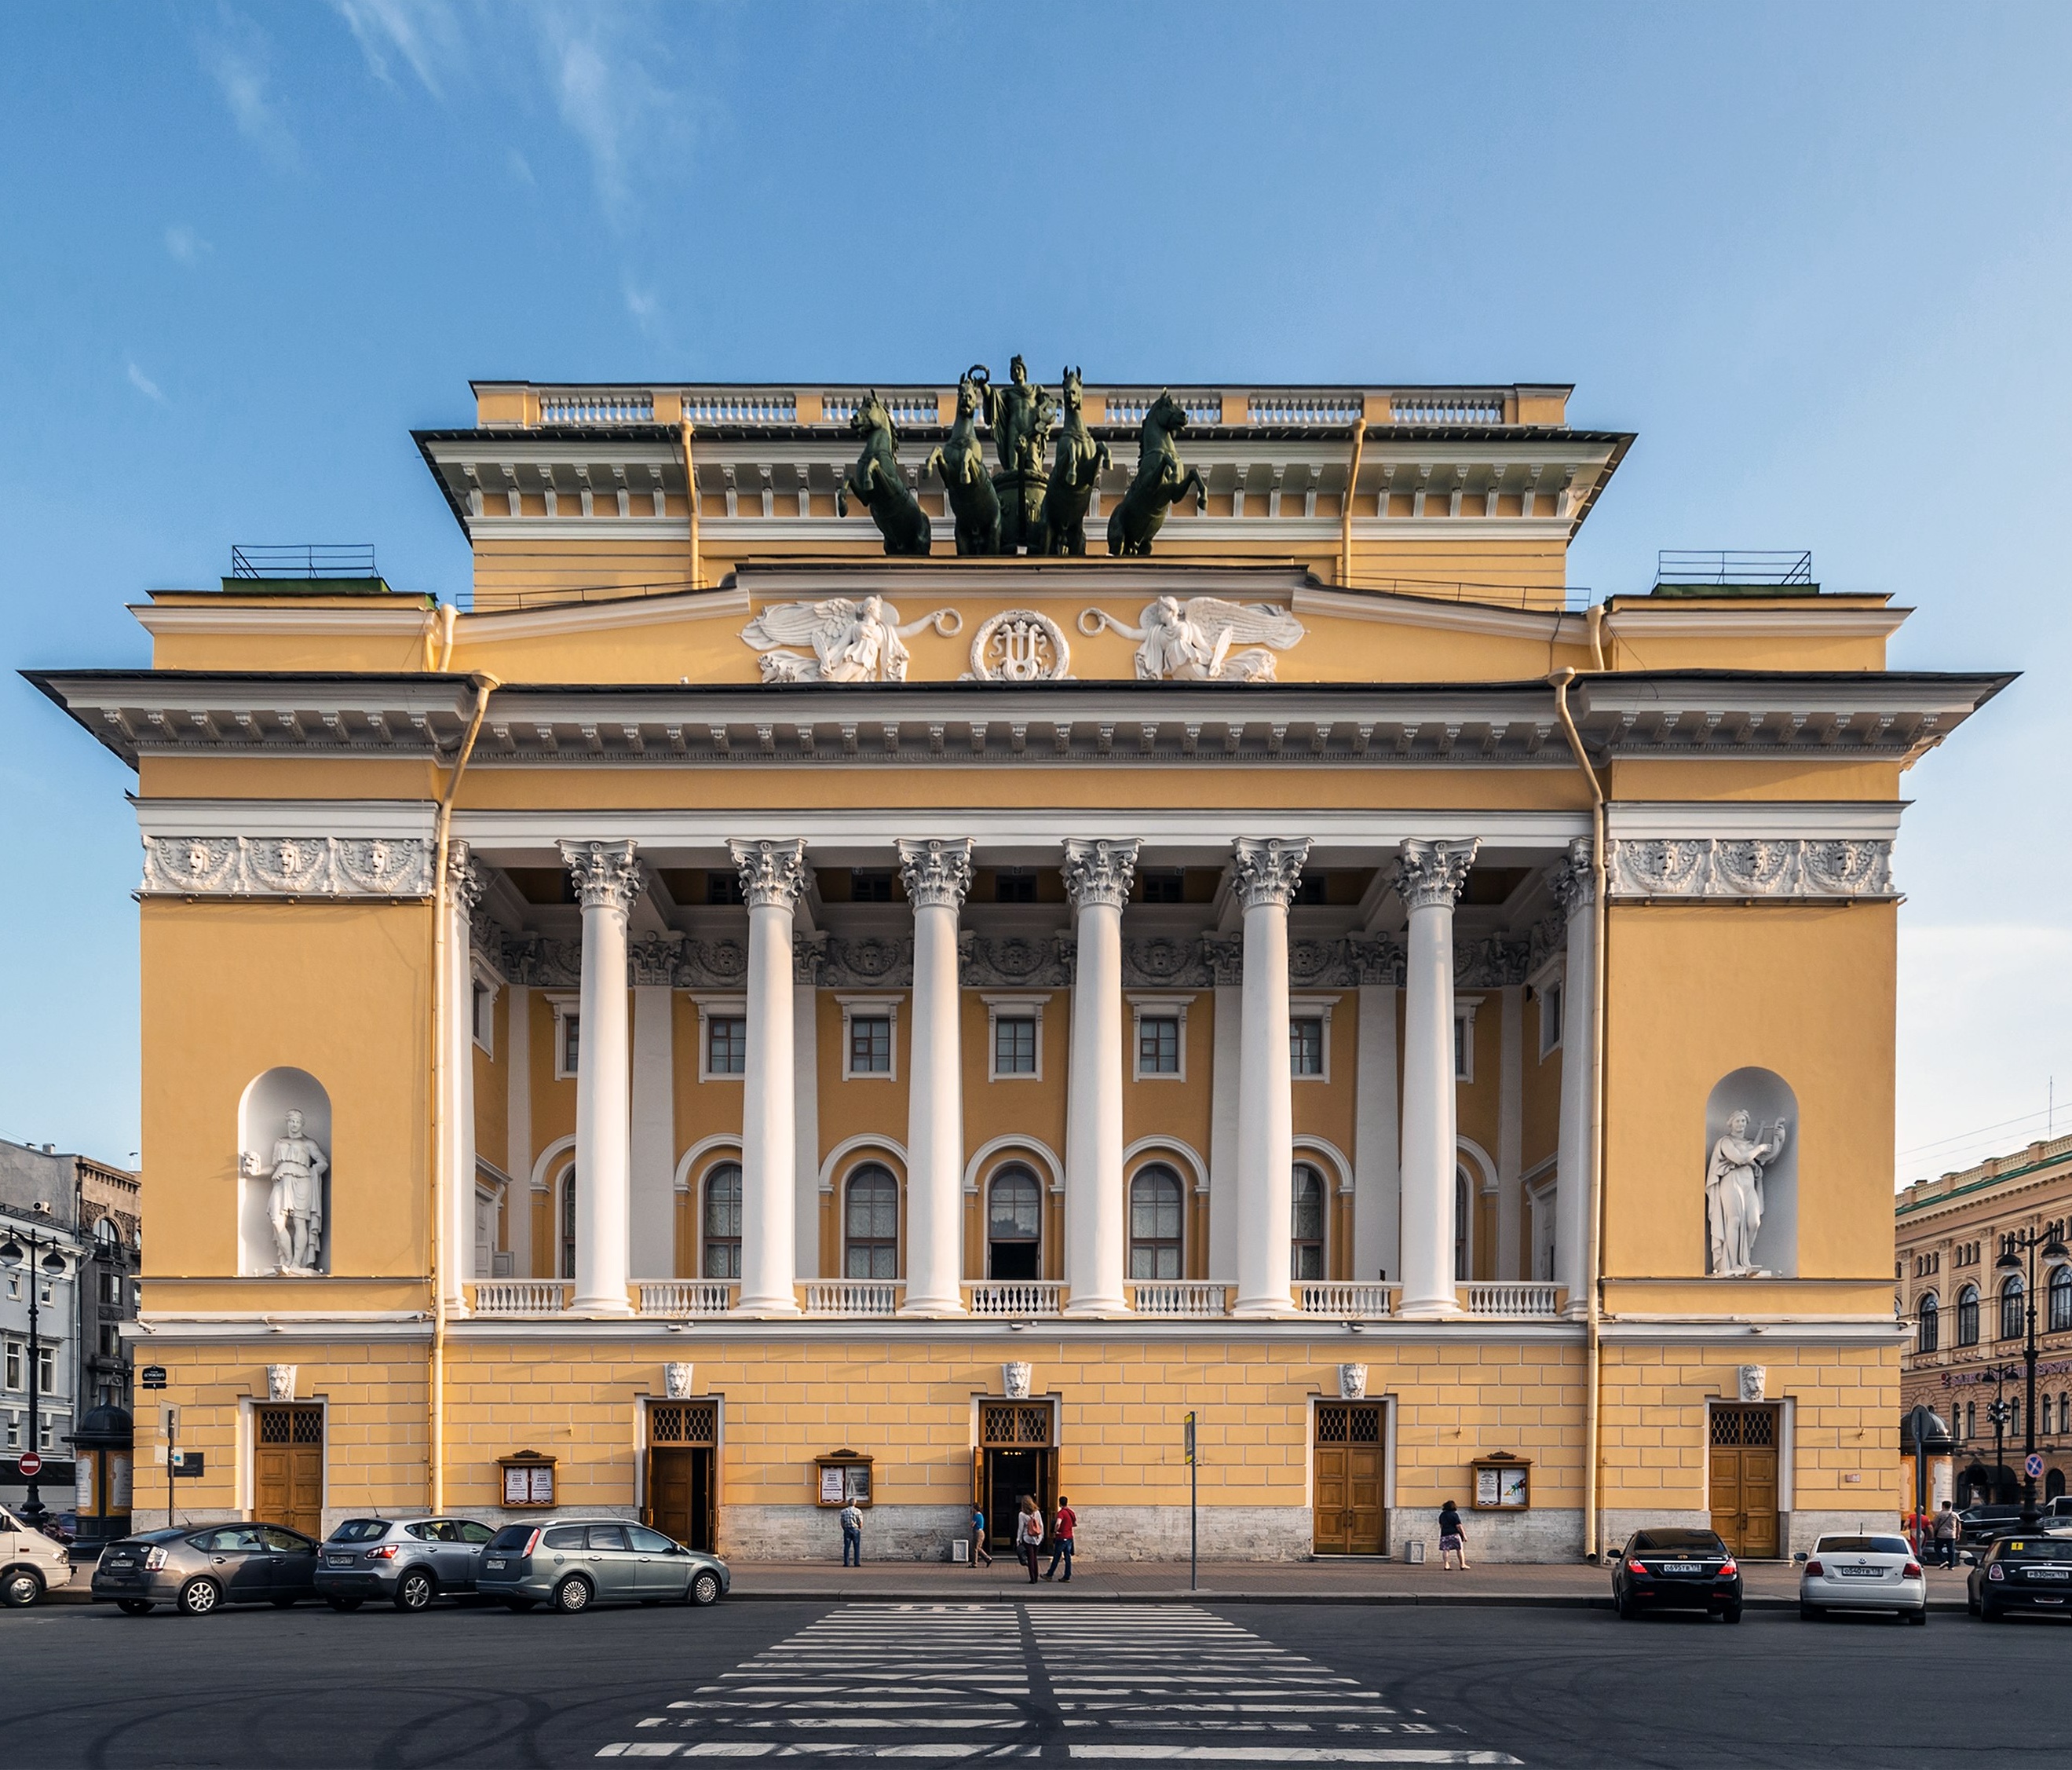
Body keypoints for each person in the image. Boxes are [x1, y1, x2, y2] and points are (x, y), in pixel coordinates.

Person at [1043, 1495, 1076, 1582]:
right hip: (1069, 1537)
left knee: (1057, 1556)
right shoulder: (1071, 1512)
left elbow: (1058, 1523)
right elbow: (1075, 1524)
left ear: (1060, 1503)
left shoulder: (1061, 1513)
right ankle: (1067, 1576)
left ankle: (1049, 1574)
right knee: (1067, 1557)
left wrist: (1055, 1530)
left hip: (1062, 1537)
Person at [1014, 1495, 1044, 1583]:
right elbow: (1041, 1525)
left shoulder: (1022, 1514)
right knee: (1035, 1557)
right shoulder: (1037, 1512)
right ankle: (1036, 1576)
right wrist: (1041, 1535)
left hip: (1027, 1538)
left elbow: (1021, 1528)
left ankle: (1033, 1578)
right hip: (1037, 1538)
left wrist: (1018, 1539)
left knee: (1030, 1558)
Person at [1438, 1499, 1471, 1571]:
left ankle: (1446, 1565)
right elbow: (1459, 1526)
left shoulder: (1442, 1515)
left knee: (1446, 1549)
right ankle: (1462, 1565)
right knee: (1459, 1549)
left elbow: (1441, 1525)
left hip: (1445, 1534)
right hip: (1454, 1534)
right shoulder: (1454, 1515)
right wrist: (1464, 1535)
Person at [1931, 1500, 1960, 1568]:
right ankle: (1951, 1565)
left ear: (1943, 1506)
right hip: (1951, 1535)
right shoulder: (1955, 1515)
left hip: (1941, 1534)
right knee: (1951, 1550)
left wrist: (1934, 1533)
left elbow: (1935, 1524)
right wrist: (1958, 1534)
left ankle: (1943, 1560)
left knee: (1937, 1548)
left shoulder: (1940, 1514)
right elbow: (1959, 1525)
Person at [839, 1498, 863, 1567]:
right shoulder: (858, 1511)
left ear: (848, 1503)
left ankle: (846, 1563)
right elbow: (860, 1522)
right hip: (855, 1530)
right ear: (855, 1503)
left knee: (846, 1546)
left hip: (847, 1529)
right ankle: (857, 1563)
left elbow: (842, 1522)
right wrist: (859, 1528)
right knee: (857, 1547)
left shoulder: (844, 1511)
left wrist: (844, 1528)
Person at [970, 1505, 992, 1569]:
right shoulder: (981, 1515)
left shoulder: (976, 1516)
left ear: (975, 1509)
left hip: (977, 1533)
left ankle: (974, 1563)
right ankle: (988, 1559)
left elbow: (972, 1525)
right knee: (978, 1548)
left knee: (975, 1548)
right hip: (981, 1532)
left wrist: (971, 1523)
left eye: (973, 1508)